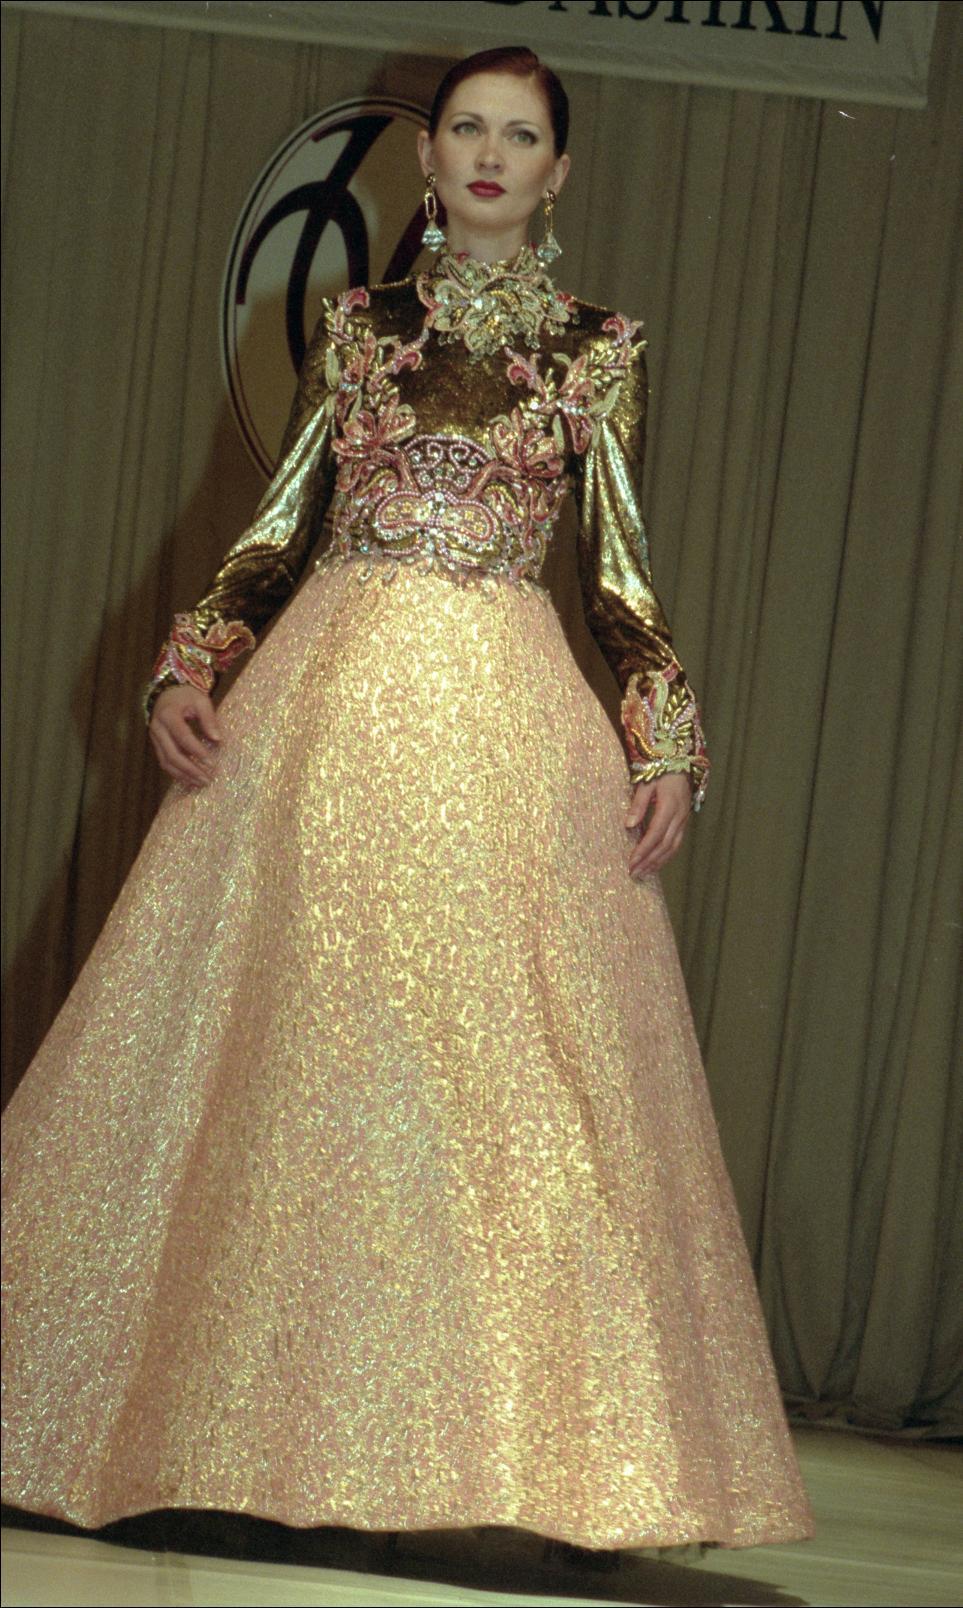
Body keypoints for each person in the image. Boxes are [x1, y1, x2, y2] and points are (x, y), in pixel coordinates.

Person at [1, 44, 815, 1571]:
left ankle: (521, 1462)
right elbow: (277, 530)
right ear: (427, 159)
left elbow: (621, 579)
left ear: (558, 172)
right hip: (326, 725)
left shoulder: (598, 351)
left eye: (522, 135)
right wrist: (190, 665)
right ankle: (224, 1434)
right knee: (300, 1069)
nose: (492, 154)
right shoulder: (357, 329)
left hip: (508, 734)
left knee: (497, 1091)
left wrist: (664, 742)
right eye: (467, 130)